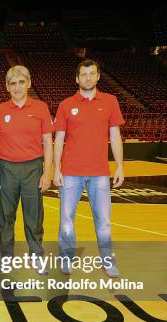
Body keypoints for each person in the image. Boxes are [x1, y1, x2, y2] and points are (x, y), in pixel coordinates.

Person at [0, 65, 54, 274]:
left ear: (28, 83)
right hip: (7, 169)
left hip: (33, 168)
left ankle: (37, 256)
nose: (17, 87)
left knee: (34, 216)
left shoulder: (41, 108)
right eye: (13, 83)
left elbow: (48, 141)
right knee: (6, 215)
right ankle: (7, 258)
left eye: (21, 82)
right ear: (7, 87)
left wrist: (48, 172)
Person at [53, 59, 124, 277]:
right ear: (77, 79)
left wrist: (120, 166)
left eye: (91, 73)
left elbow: (115, 136)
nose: (88, 78)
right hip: (71, 172)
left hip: (100, 172)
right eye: (83, 74)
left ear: (98, 76)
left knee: (103, 221)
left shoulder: (111, 101)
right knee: (66, 219)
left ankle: (107, 260)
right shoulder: (66, 105)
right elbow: (59, 138)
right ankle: (66, 259)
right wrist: (57, 168)